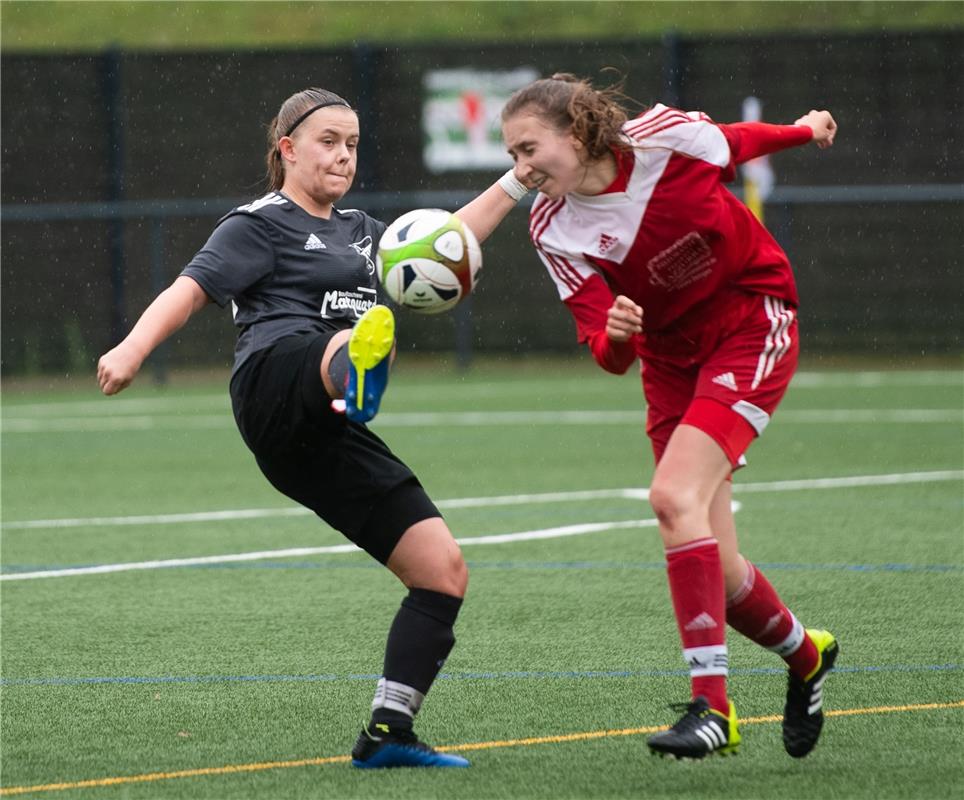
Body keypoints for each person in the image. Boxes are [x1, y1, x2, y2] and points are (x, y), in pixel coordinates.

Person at [97, 87, 518, 769]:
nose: (344, 155)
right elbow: (189, 290)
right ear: (287, 148)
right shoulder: (257, 224)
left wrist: (518, 179)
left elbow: (449, 238)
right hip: (272, 382)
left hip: (322, 432)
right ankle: (356, 361)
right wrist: (133, 349)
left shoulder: (360, 231)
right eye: (329, 140)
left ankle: (388, 734)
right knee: (344, 340)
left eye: (353, 144)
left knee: (443, 571)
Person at [494, 73, 840, 760]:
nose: (520, 169)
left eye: (529, 149)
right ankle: (808, 656)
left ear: (576, 132)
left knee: (671, 497)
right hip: (671, 365)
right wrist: (619, 332)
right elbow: (606, 353)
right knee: (726, 570)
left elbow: (735, 145)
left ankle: (713, 708)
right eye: (510, 157)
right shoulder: (553, 229)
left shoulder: (663, 139)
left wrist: (806, 130)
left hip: (750, 318)